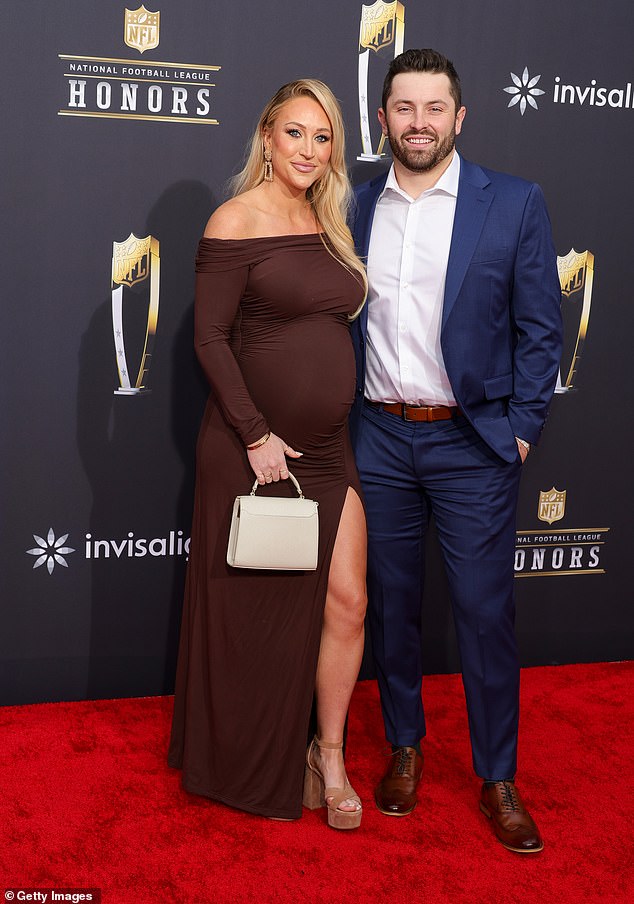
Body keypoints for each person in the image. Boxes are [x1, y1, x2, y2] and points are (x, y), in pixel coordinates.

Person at [349, 49, 563, 852]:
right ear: (384, 119)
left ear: (460, 118)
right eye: (404, 109)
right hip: (379, 436)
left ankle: (497, 774)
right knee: (392, 606)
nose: (419, 124)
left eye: (434, 109)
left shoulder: (511, 203)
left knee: (483, 613)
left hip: (472, 442)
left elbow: (543, 327)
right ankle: (404, 745)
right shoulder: (356, 206)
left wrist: (522, 425)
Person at [168, 79, 368, 828]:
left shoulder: (328, 222)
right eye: (296, 133)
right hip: (253, 450)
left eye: (323, 138)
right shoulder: (236, 217)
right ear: (266, 137)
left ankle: (330, 754)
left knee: (347, 601)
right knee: (254, 611)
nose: (310, 150)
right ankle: (245, 759)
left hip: (326, 449)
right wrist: (254, 433)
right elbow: (209, 338)